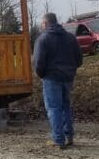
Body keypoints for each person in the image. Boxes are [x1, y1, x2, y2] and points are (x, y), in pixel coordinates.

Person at [32, 12, 83, 149]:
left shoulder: (43, 39)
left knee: (54, 108)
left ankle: (58, 139)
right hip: (68, 77)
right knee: (65, 106)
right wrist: (71, 69)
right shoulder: (70, 38)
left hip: (51, 77)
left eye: (42, 23)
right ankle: (69, 136)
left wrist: (41, 74)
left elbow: (38, 62)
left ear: (46, 23)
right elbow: (79, 59)